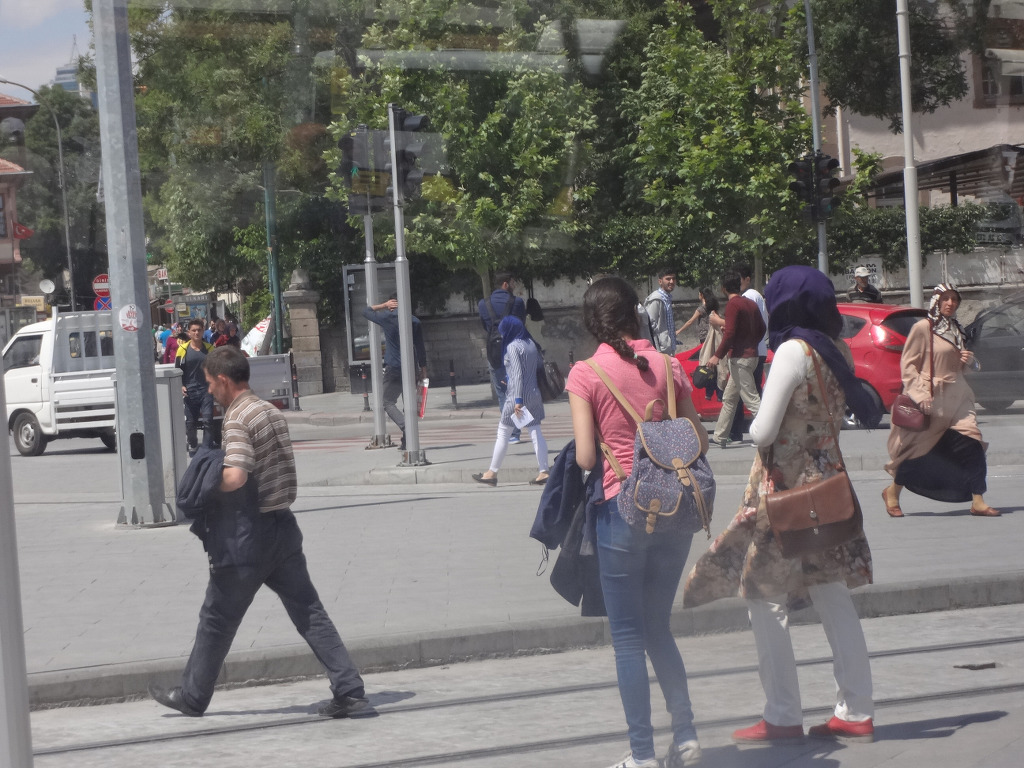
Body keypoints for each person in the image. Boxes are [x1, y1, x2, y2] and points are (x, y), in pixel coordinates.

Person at [684, 265, 880, 746]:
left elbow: (764, 430)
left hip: (785, 491)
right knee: (832, 593)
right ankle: (856, 709)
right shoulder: (834, 349)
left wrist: (751, 425)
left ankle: (782, 713)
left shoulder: (793, 350)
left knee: (763, 595)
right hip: (827, 487)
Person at [149, 346, 369, 719]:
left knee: (217, 619)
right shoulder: (269, 410)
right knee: (309, 611)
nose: (209, 391)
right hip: (283, 530)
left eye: (210, 383)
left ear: (223, 380)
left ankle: (192, 697)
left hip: (246, 538)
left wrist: (207, 487)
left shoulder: (237, 417)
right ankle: (349, 689)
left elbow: (236, 475)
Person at [566, 277, 709, 768]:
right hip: (675, 510)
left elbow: (586, 458)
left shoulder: (585, 374)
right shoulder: (668, 366)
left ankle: (643, 755)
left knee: (627, 637)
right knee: (658, 629)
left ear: (592, 322)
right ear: (636, 314)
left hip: (622, 510)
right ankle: (686, 737)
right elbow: (698, 439)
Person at [883, 284, 1000, 517]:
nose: (950, 303)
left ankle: (978, 500)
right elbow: (908, 367)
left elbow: (961, 368)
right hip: (932, 398)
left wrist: (970, 362)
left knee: (973, 442)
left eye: (954, 299)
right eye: (945, 298)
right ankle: (892, 492)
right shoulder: (923, 328)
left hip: (959, 397)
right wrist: (920, 395)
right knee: (920, 450)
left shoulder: (957, 329)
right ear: (936, 300)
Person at [471, 316, 549, 486]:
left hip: (516, 396)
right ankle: (544, 471)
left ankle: (491, 473)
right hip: (534, 393)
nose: (502, 334)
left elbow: (518, 374)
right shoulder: (530, 344)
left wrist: (518, 400)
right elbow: (533, 368)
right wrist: (511, 379)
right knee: (535, 432)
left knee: (503, 432)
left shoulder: (513, 346)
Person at [362, 295, 428, 451]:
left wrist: (384, 305)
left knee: (387, 401)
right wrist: (423, 369)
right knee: (409, 404)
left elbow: (366, 311)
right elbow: (420, 346)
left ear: (392, 304)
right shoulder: (414, 321)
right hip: (411, 367)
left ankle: (406, 428)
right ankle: (407, 441)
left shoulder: (387, 317)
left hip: (394, 366)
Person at [708, 272, 765, 447]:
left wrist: (717, 355)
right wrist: (751, 343)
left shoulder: (733, 305)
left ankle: (772, 433)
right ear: (739, 286)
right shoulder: (750, 303)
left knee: (751, 399)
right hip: (751, 355)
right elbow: (762, 328)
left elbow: (730, 333)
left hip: (740, 358)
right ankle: (720, 436)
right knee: (730, 398)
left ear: (723, 289)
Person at [479, 272, 528, 443]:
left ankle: (511, 433)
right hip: (514, 349)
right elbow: (521, 324)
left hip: (494, 351)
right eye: (513, 283)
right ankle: (516, 431)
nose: (514, 286)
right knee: (517, 389)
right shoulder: (517, 302)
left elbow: (485, 326)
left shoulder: (483, 304)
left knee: (502, 393)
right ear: (506, 284)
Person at [176, 318, 218, 455]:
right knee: (190, 423)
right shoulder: (182, 349)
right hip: (190, 390)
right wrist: (181, 385)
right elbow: (177, 371)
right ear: (189, 332)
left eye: (199, 330)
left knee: (208, 420)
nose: (196, 333)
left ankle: (206, 447)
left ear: (203, 331)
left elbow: (215, 369)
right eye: (193, 330)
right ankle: (193, 444)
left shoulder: (210, 349)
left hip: (206, 390)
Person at [643, 268, 677, 355]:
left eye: (673, 279)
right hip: (660, 351)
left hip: (669, 348)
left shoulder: (667, 298)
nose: (672, 281)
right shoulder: (656, 299)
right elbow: (649, 325)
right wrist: (656, 349)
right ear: (660, 281)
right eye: (668, 279)